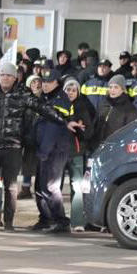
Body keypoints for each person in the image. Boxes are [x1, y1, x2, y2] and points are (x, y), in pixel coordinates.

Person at [0, 62, 79, 232]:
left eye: (9, 75)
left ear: (15, 78)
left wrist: (64, 121)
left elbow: (44, 109)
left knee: (11, 187)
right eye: (2, 75)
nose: (5, 78)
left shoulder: (23, 95)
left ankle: (8, 222)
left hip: (13, 147)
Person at [30, 70, 85, 233]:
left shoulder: (59, 100)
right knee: (40, 186)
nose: (45, 85)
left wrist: (44, 151)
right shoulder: (47, 98)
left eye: (49, 82)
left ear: (56, 83)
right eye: (44, 82)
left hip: (54, 149)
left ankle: (61, 220)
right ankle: (46, 218)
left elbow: (53, 129)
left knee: (50, 186)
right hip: (45, 148)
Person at [62, 77, 96, 232]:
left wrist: (78, 130)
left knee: (77, 186)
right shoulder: (59, 105)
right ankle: (57, 219)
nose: (70, 92)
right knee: (55, 186)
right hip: (60, 151)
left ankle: (77, 221)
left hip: (77, 150)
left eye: (73, 89)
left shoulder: (83, 106)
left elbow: (88, 131)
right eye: (68, 89)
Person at [93, 74, 137, 149]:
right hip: (98, 146)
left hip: (116, 148)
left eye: (116, 87)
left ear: (123, 89)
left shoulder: (130, 108)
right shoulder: (103, 104)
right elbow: (96, 124)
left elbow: (130, 132)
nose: (112, 90)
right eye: (110, 87)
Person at [18, 74, 43, 200]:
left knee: (40, 165)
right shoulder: (25, 99)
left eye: (38, 82)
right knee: (27, 164)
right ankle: (25, 188)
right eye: (33, 83)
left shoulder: (45, 99)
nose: (36, 85)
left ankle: (39, 189)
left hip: (41, 138)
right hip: (28, 136)